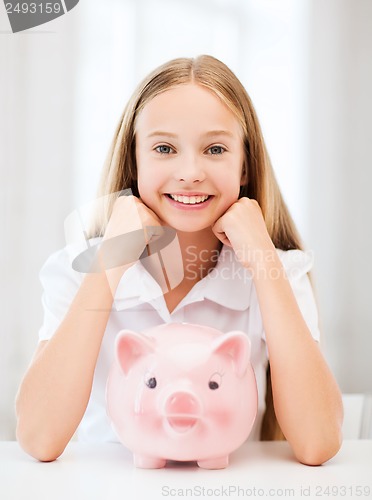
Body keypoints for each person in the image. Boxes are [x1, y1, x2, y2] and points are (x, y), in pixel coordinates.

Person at [15, 55, 343, 465]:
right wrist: (111, 260)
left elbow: (318, 443)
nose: (190, 172)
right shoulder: (75, 269)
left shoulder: (279, 273)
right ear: (135, 161)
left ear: (245, 165)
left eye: (216, 148)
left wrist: (264, 263)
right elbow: (39, 437)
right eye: (165, 148)